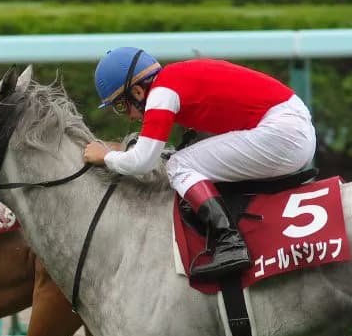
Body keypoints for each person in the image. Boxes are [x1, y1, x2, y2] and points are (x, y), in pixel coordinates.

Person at [83, 48, 316, 280]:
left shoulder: (162, 92)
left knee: (178, 165)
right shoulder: (175, 79)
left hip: (283, 133)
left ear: (137, 91)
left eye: (122, 107)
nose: (130, 117)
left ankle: (230, 242)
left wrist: (105, 157)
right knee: (187, 161)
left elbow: (143, 162)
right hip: (291, 128)